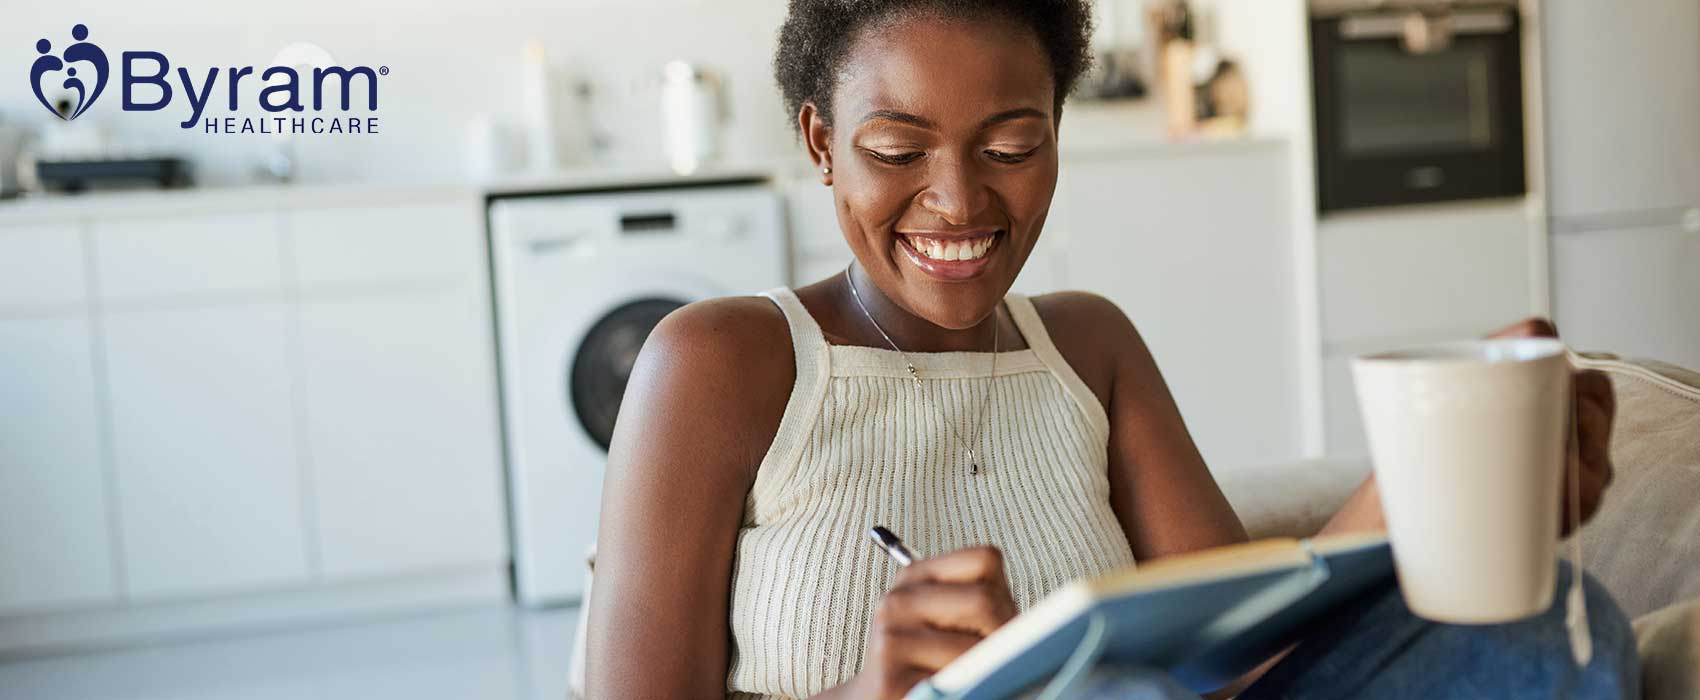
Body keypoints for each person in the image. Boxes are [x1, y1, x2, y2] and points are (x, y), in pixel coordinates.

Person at [584, 1, 1637, 698]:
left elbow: (1253, 641)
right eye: (897, 150)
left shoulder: (1087, 344)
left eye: (1010, 147)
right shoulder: (720, 362)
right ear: (819, 142)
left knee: (1551, 610)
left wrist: (1444, 479)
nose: (956, 200)